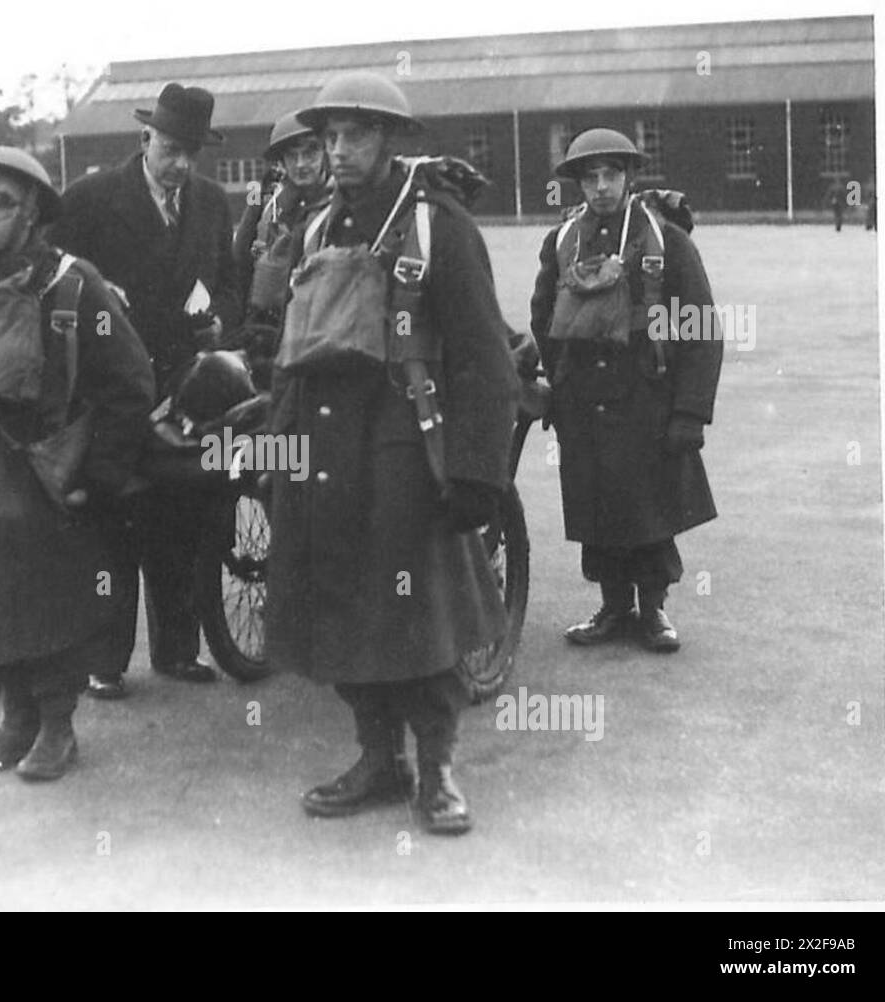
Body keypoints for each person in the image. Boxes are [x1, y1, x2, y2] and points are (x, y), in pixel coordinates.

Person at [265, 71, 518, 836]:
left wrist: (478, 472)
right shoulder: (314, 229)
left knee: (422, 620)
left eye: (357, 135)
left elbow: (484, 360)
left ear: (393, 140)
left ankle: (437, 770)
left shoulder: (439, 226)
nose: (339, 151)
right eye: (330, 137)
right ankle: (378, 760)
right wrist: (280, 453)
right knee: (343, 613)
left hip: (408, 451)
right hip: (326, 453)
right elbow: (291, 354)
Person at [0, 147, 155, 778]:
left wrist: (96, 475)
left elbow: (131, 384)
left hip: (44, 478)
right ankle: (15, 725)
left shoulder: (72, 284)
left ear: (32, 211)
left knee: (48, 607)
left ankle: (58, 730)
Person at [48, 82, 242, 699]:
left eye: (192, 152)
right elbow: (48, 271)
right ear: (145, 139)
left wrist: (220, 323)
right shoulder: (88, 199)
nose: (181, 163)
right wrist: (94, 284)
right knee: (112, 524)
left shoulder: (212, 204)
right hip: (108, 393)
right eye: (171, 148)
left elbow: (232, 285)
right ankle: (104, 662)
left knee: (179, 518)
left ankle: (178, 650)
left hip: (183, 389)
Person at [530, 128, 721, 653]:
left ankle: (654, 609)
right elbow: (543, 313)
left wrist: (690, 412)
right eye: (589, 177)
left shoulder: (665, 239)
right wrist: (558, 380)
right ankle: (613, 606)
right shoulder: (563, 240)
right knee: (596, 505)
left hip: (646, 395)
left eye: (611, 174)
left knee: (649, 506)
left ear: (630, 177)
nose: (600, 187)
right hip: (583, 399)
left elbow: (701, 326)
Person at [231, 111, 330, 384]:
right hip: (268, 332)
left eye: (310, 153)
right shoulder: (266, 202)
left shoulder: (342, 203)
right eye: (291, 156)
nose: (301, 164)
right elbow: (239, 267)